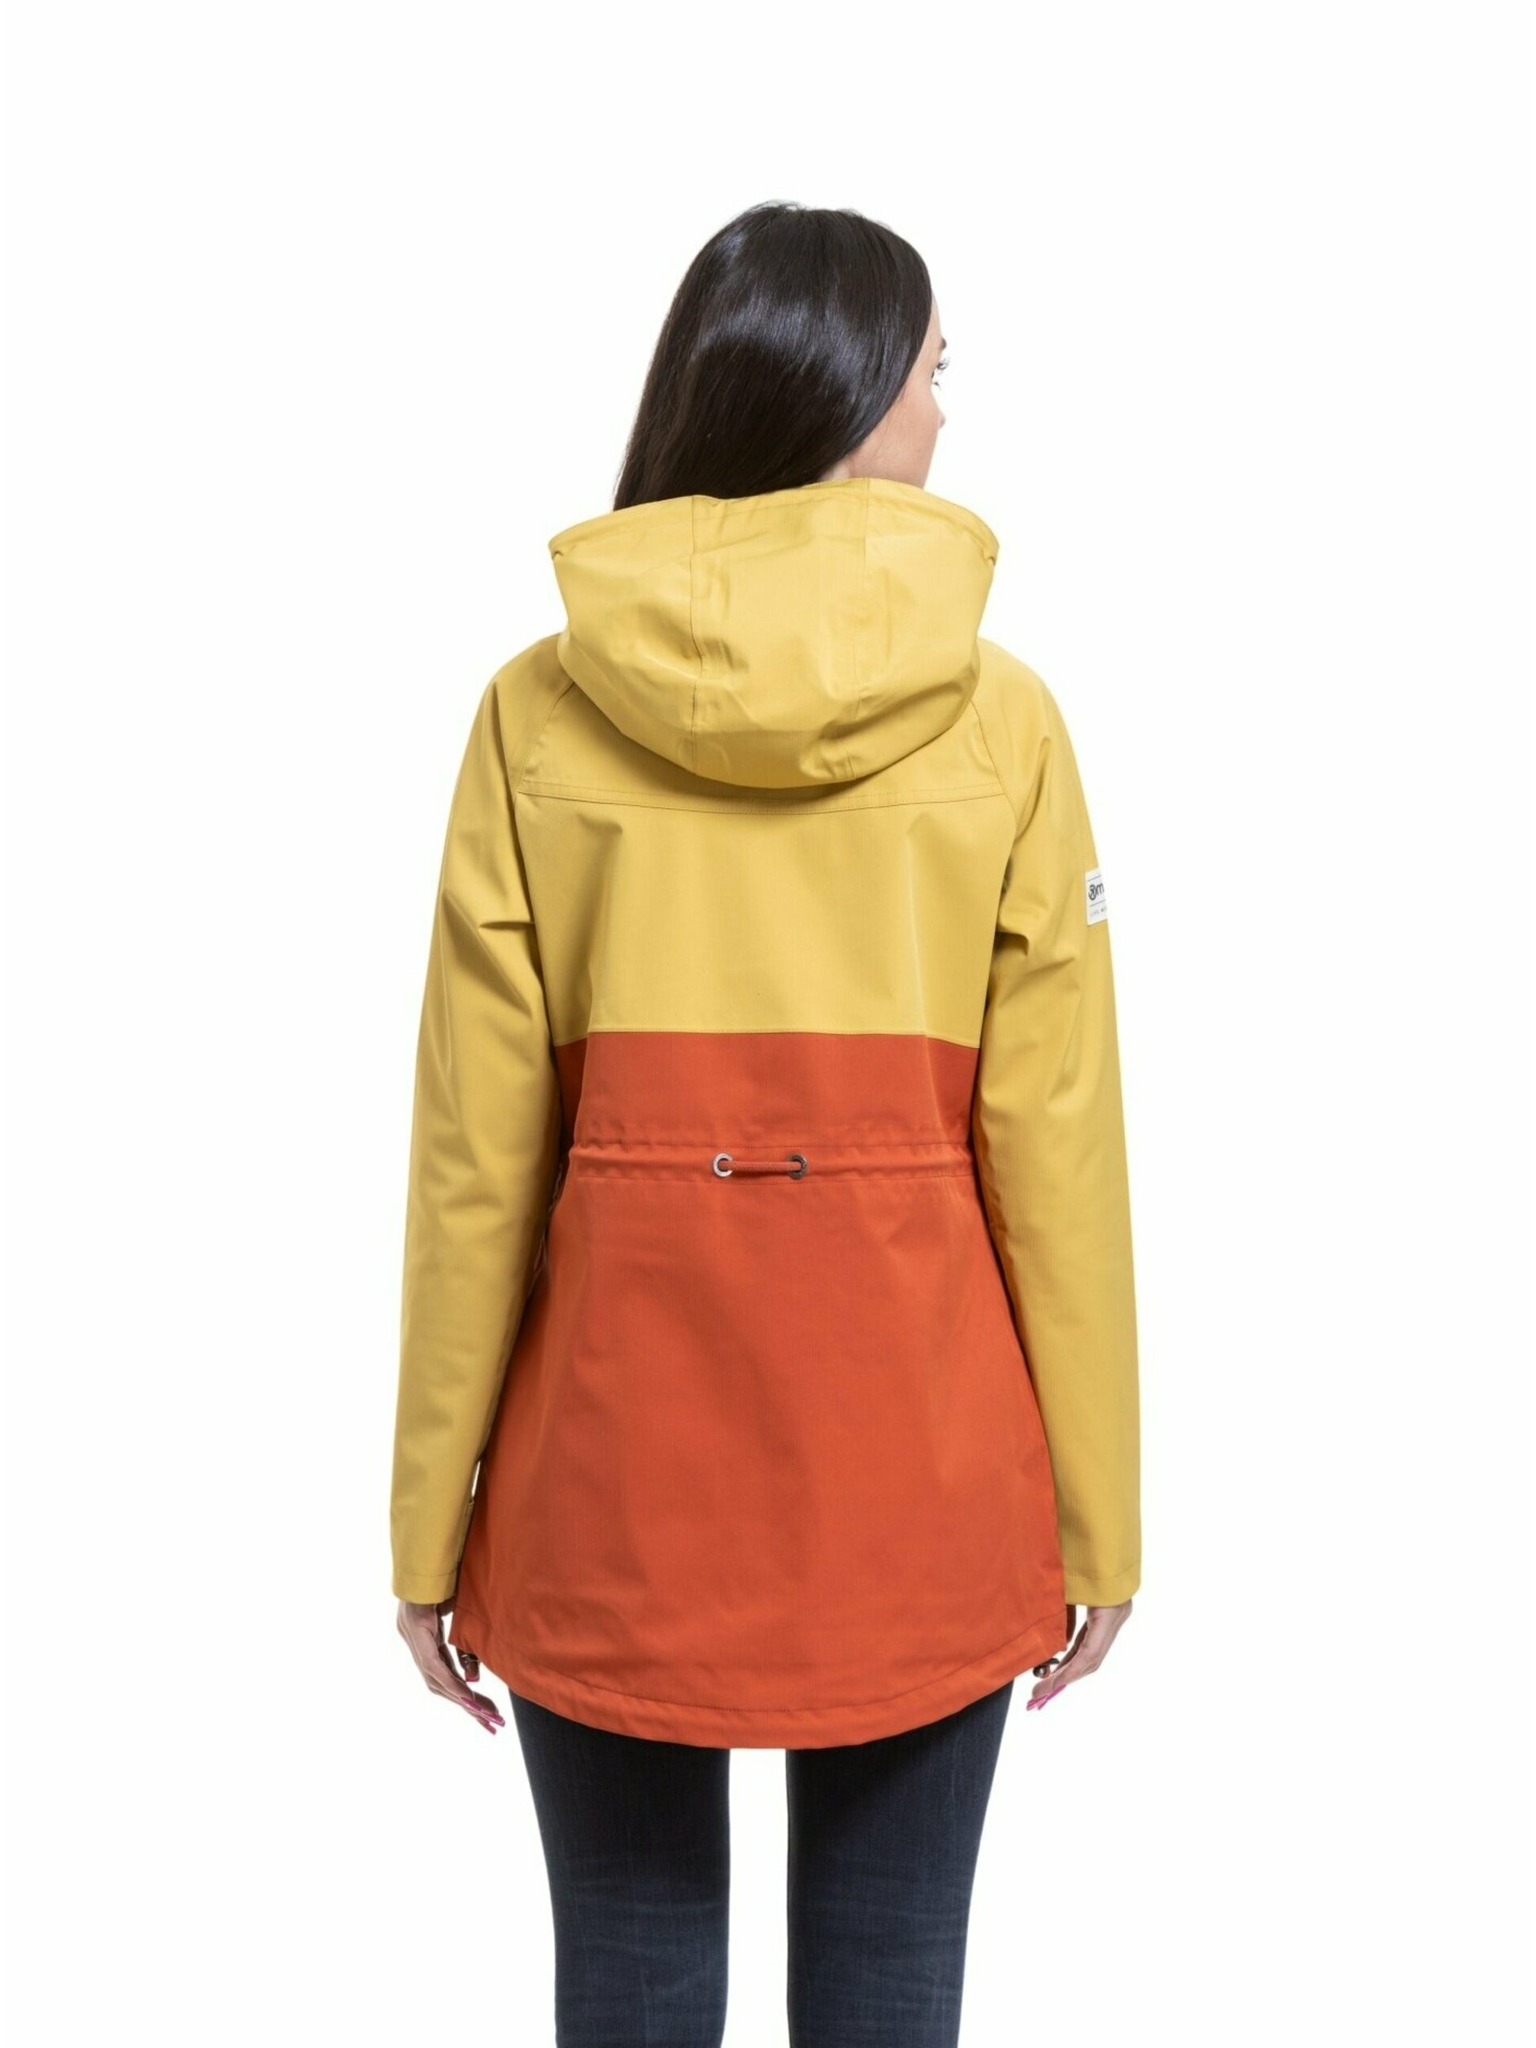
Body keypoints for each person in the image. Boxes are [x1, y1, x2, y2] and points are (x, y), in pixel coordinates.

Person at [389, 200, 1141, 2047]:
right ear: (852, 393)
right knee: (889, 1995)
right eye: (937, 373)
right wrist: (1100, 1524)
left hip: (608, 1490)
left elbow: (477, 1166)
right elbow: (1058, 1156)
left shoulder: (534, 716)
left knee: (630, 1990)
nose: (948, 414)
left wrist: (426, 1527)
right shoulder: (1008, 725)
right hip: (926, 1483)